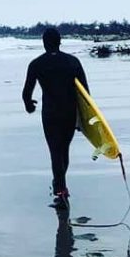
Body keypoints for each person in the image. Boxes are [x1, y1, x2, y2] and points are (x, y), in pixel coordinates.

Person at [22, 27, 89, 207]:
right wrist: (83, 119)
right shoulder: (73, 62)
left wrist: (29, 105)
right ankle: (60, 186)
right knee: (63, 149)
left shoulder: (36, 64)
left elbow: (26, 93)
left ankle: (60, 190)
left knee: (55, 151)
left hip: (50, 114)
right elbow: (86, 94)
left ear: (44, 43)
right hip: (69, 112)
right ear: (60, 42)